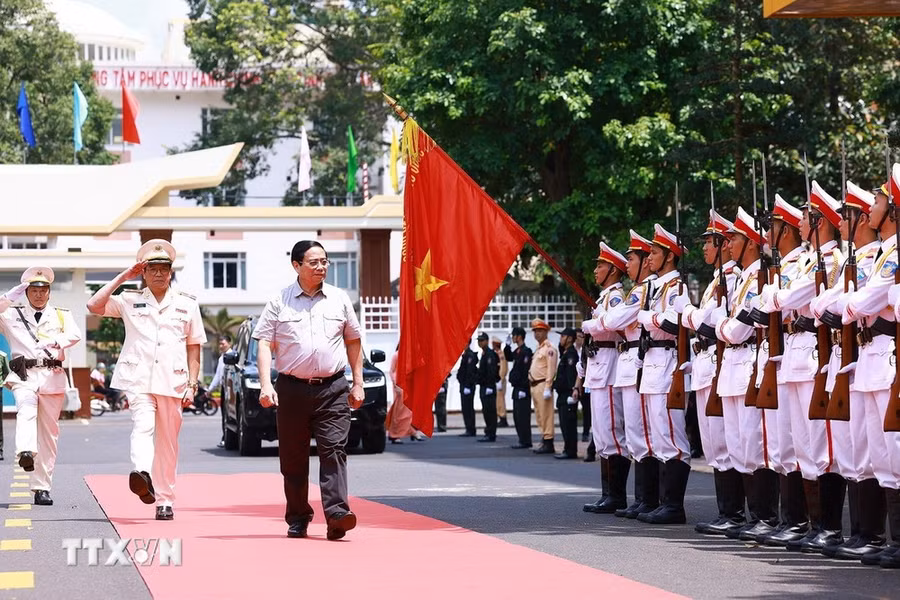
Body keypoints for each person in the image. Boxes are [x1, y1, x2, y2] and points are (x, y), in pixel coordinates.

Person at [250, 240, 364, 541]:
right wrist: (265, 384)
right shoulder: (279, 301)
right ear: (296, 265)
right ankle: (298, 517)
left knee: (334, 450)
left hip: (333, 389)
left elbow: (353, 340)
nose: (321, 267)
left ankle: (337, 515)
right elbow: (264, 343)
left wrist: (358, 382)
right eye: (314, 262)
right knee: (293, 459)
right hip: (292, 390)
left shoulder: (339, 298)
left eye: (324, 261)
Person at [87, 239, 206, 521]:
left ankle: (164, 500)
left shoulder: (187, 303)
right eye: (152, 269)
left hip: (173, 381)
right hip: (138, 378)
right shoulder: (129, 299)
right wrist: (123, 276)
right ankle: (141, 473)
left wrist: (193, 384)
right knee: (142, 426)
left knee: (168, 444)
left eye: (164, 269)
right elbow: (94, 305)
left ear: (171, 272)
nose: (159, 274)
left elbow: (194, 346)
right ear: (143, 272)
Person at [673, 210, 742, 535]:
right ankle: (726, 511)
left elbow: (708, 321)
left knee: (725, 441)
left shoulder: (732, 278)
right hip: (705, 363)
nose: (704, 247)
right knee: (713, 443)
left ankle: (734, 513)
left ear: (725, 245)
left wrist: (686, 310)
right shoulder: (716, 279)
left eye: (710, 242)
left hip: (719, 360)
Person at [0, 267, 81, 505]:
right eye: (34, 290)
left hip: (51, 375)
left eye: (43, 289)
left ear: (49, 292)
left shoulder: (61, 315)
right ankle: (26, 451)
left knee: (49, 434)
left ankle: (42, 488)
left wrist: (56, 340)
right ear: (26, 292)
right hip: (24, 375)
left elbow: (75, 335)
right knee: (25, 409)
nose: (39, 294)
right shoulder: (11, 314)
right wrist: (8, 297)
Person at [635, 224, 691, 525]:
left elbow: (674, 323)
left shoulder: (677, 287)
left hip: (668, 362)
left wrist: (648, 317)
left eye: (655, 253)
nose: (649, 258)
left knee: (671, 434)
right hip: (652, 362)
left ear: (669, 256)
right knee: (657, 435)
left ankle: (674, 505)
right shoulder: (657, 287)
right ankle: (662, 501)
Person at [601, 230, 660, 519]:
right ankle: (641, 498)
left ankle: (649, 498)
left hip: (641, 361)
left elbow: (614, 320)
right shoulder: (636, 291)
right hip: (631, 362)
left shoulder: (644, 290)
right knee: (635, 434)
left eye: (632, 258)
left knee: (644, 434)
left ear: (645, 262)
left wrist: (601, 319)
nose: (627, 265)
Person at [528, 318, 558, 454]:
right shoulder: (539, 349)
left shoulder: (549, 349)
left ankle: (548, 441)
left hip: (542, 384)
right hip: (535, 385)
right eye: (535, 331)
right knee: (539, 415)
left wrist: (548, 387)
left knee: (546, 415)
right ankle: (544, 438)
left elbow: (551, 369)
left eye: (540, 330)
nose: (537, 333)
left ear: (546, 332)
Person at [504, 327, 533, 449]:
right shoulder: (517, 351)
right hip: (517, 388)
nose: (513, 338)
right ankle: (522, 439)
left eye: (514, 335)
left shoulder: (527, 351)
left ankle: (526, 440)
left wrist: (524, 387)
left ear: (519, 336)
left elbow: (526, 371)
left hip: (523, 389)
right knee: (517, 416)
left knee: (523, 417)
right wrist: (507, 346)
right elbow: (509, 357)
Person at [553, 327, 579, 459]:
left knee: (569, 424)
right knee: (564, 424)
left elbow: (571, 375)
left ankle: (570, 451)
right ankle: (567, 449)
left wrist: (573, 390)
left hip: (568, 394)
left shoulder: (571, 355)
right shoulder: (566, 353)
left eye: (563, 336)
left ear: (569, 339)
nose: (561, 339)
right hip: (562, 394)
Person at [475, 332, 500, 442]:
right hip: (484, 386)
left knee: (490, 411)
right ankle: (488, 432)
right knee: (486, 411)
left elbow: (491, 371)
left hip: (488, 387)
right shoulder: (484, 353)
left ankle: (491, 433)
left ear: (486, 341)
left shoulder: (490, 354)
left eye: (482, 340)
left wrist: (490, 386)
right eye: (479, 341)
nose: (480, 343)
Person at [210, 335, 233, 448]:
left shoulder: (232, 356)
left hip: (231, 389)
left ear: (229, 343)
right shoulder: (221, 358)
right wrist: (210, 389)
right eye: (220, 344)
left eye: (223, 344)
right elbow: (218, 376)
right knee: (224, 415)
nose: (221, 346)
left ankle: (228, 438)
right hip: (224, 389)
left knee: (230, 415)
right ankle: (225, 437)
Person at [456, 343, 479, 437]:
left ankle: (471, 429)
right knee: (465, 408)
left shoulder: (470, 355)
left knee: (468, 408)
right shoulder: (466, 355)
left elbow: (470, 372)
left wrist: (467, 386)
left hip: (468, 386)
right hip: (464, 386)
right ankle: (468, 428)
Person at [573, 329, 591, 443]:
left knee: (587, 410)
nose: (578, 339)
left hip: (584, 383)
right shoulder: (572, 351)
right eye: (577, 336)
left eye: (581, 336)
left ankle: (586, 433)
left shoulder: (586, 350)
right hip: (574, 384)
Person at [492, 337, 510, 428]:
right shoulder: (495, 354)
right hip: (496, 380)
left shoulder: (501, 355)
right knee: (497, 401)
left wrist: (500, 379)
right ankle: (499, 417)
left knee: (500, 400)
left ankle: (503, 418)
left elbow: (503, 368)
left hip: (500, 381)